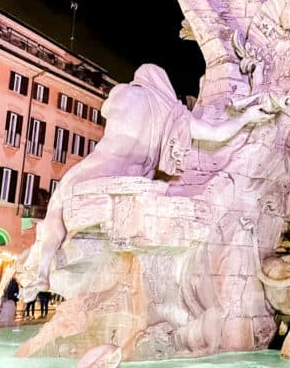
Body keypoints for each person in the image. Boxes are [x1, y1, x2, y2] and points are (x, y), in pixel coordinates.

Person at [23, 63, 276, 296]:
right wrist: (247, 117)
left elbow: (105, 108)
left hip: (100, 168)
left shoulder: (123, 93)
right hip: (135, 174)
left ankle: (43, 272)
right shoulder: (175, 114)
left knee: (56, 207)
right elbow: (216, 134)